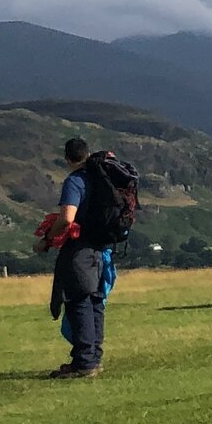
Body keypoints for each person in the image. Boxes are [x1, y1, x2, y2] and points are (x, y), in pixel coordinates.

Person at [44, 135, 131, 378]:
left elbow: (67, 218)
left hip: (79, 250)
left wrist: (48, 238)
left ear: (67, 158)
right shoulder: (100, 178)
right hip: (101, 250)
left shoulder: (76, 181)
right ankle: (94, 358)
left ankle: (84, 362)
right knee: (95, 303)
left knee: (78, 303)